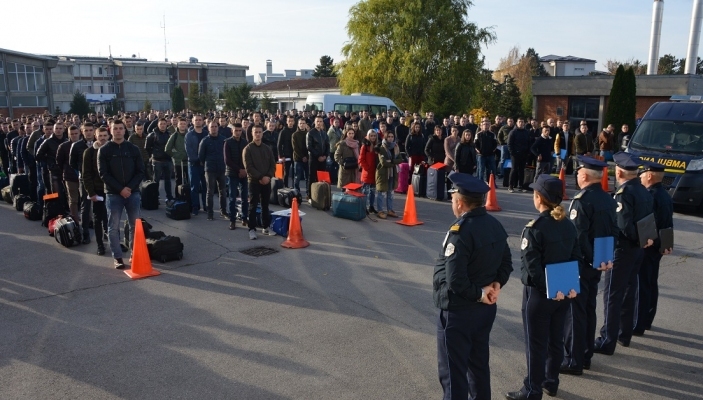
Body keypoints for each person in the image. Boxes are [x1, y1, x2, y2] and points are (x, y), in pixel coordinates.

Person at [434, 172, 513, 400]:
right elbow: (506, 262)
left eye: (453, 199)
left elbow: (455, 279)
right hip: (485, 309)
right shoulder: (495, 225)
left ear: (460, 202)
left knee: (453, 373)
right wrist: (496, 285)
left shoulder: (460, 232)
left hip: (459, 310)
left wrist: (481, 293)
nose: (452, 203)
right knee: (478, 367)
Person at [505, 175, 581, 400]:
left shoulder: (534, 228)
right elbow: (576, 257)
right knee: (555, 339)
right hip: (563, 292)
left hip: (539, 294)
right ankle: (551, 381)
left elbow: (532, 267)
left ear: (539, 198)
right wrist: (564, 287)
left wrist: (549, 288)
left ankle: (532, 389)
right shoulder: (568, 225)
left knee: (536, 343)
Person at [561, 156, 618, 375]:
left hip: (581, 264)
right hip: (598, 262)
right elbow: (614, 231)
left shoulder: (582, 200)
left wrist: (587, 258)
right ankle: (585, 355)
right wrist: (603, 258)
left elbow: (578, 237)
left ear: (584, 175)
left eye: (578, 172)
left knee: (574, 312)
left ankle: (574, 360)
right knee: (589, 308)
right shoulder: (608, 199)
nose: (576, 175)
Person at [593, 152, 654, 355]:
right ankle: (623, 334)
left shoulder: (624, 193)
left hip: (623, 249)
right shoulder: (643, 190)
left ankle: (607, 340)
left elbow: (623, 226)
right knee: (629, 290)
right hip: (638, 248)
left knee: (612, 294)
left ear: (618, 171)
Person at [97, 119, 144, 270]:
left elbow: (140, 171)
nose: (118, 131)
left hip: (133, 193)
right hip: (113, 194)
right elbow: (103, 174)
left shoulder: (133, 149)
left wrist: (129, 188)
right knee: (113, 227)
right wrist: (120, 189)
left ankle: (134, 253)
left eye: (120, 128)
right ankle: (117, 257)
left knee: (135, 226)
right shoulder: (104, 150)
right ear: (111, 131)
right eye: (115, 128)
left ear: (125, 130)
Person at [634, 161, 674, 335]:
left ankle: (639, 323)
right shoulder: (664, 195)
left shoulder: (650, 196)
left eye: (642, 175)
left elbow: (648, 223)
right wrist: (666, 244)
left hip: (648, 245)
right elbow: (667, 223)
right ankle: (648, 318)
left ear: (649, 175)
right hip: (658, 245)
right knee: (650, 282)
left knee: (642, 284)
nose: (640, 178)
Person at [243, 125, 276, 240]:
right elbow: (249, 168)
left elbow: (273, 164)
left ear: (263, 133)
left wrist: (268, 176)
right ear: (252, 133)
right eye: (255, 132)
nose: (257, 134)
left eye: (259, 132)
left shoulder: (267, 148)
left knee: (265, 205)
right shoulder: (248, 149)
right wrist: (261, 177)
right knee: (253, 205)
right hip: (254, 182)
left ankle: (266, 227)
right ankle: (251, 229)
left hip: (266, 181)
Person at [82, 126, 110, 256]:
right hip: (97, 190)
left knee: (112, 218)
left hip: (112, 190)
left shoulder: (113, 149)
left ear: (108, 136)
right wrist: (91, 192)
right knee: (98, 218)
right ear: (96, 136)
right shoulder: (89, 152)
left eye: (105, 136)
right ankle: (100, 245)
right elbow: (86, 174)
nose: (103, 138)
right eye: (100, 136)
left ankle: (114, 242)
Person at [70, 122, 96, 242]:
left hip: (100, 180)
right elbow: (72, 163)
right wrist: (81, 171)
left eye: (91, 130)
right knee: (85, 206)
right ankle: (85, 232)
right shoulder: (77, 146)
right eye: (86, 130)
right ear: (82, 131)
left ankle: (105, 231)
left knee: (103, 206)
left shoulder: (100, 143)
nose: (89, 132)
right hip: (85, 180)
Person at [198, 121, 227, 221]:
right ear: (208, 128)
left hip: (222, 169)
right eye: (212, 127)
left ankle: (223, 211)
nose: (214, 128)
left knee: (222, 191)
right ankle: (210, 213)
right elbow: (201, 156)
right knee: (210, 192)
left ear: (218, 128)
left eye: (215, 127)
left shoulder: (223, 140)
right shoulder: (204, 141)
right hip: (210, 170)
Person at [224, 123, 249, 230]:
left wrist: (244, 170)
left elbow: (248, 157)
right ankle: (232, 220)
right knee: (232, 197)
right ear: (232, 131)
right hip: (232, 173)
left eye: (240, 130)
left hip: (244, 173)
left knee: (245, 197)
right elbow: (227, 160)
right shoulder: (227, 142)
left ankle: (244, 218)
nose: (238, 132)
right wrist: (239, 170)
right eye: (236, 130)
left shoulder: (245, 142)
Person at [56, 125, 82, 224]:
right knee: (73, 199)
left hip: (84, 176)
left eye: (76, 133)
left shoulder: (83, 145)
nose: (74, 135)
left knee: (86, 200)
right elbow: (59, 162)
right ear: (68, 135)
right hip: (70, 176)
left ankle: (89, 219)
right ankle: (74, 218)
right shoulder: (63, 146)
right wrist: (65, 171)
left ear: (79, 133)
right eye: (72, 134)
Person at [374, 131, 403, 219]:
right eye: (389, 137)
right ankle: (380, 211)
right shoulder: (381, 148)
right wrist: (394, 162)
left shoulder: (395, 147)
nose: (391, 138)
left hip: (392, 173)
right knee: (381, 193)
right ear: (385, 138)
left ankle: (390, 210)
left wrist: (392, 161)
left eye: (392, 136)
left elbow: (400, 160)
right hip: (383, 173)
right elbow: (383, 163)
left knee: (390, 193)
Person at [146, 118, 174, 203]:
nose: (162, 125)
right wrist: (154, 154)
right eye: (161, 124)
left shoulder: (170, 134)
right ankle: (155, 197)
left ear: (167, 125)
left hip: (168, 160)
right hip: (157, 161)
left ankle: (169, 197)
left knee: (168, 181)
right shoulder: (152, 135)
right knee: (156, 181)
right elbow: (147, 147)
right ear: (158, 125)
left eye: (164, 124)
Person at [185, 114, 208, 215]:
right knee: (194, 187)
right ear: (193, 122)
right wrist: (198, 160)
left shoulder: (207, 134)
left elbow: (209, 149)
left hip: (205, 165)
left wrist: (205, 161)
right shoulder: (189, 135)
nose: (198, 121)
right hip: (194, 164)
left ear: (203, 121)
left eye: (200, 120)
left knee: (205, 187)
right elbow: (189, 151)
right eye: (196, 120)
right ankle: (195, 206)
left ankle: (206, 205)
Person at [306, 116, 330, 201]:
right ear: (315, 122)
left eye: (320, 121)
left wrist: (325, 156)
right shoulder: (310, 133)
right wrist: (318, 156)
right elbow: (309, 147)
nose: (319, 123)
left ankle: (320, 194)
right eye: (317, 121)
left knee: (322, 177)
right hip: (314, 158)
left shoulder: (324, 133)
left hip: (323, 158)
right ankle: (310, 194)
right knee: (312, 176)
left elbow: (327, 145)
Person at [507, 118, 530, 193]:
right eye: (519, 122)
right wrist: (513, 153)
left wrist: (527, 153)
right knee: (514, 170)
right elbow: (509, 144)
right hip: (515, 154)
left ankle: (521, 186)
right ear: (516, 123)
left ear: (524, 123)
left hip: (524, 154)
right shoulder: (513, 132)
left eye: (522, 122)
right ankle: (511, 186)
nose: (521, 123)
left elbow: (528, 143)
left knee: (521, 170)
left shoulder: (526, 132)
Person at [165, 117, 189, 190]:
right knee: (178, 180)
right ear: (178, 125)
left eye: (184, 124)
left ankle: (188, 197)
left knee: (188, 181)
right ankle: (178, 197)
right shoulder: (174, 136)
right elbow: (167, 149)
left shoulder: (189, 135)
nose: (182, 125)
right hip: (178, 163)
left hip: (188, 162)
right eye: (181, 124)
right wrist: (175, 156)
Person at [359, 130, 379, 214]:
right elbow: (361, 159)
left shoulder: (377, 146)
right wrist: (367, 168)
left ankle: (371, 206)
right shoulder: (365, 146)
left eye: (374, 136)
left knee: (373, 191)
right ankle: (364, 207)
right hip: (367, 172)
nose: (373, 137)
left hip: (375, 171)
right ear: (368, 136)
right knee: (365, 191)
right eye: (371, 136)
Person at [277, 116, 296, 188]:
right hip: (286, 155)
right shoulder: (283, 131)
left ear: (294, 122)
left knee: (295, 172)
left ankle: (294, 187)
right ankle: (286, 186)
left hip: (294, 154)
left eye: (292, 121)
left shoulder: (295, 130)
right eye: (289, 121)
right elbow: (279, 144)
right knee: (286, 172)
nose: (290, 122)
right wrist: (281, 155)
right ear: (287, 122)